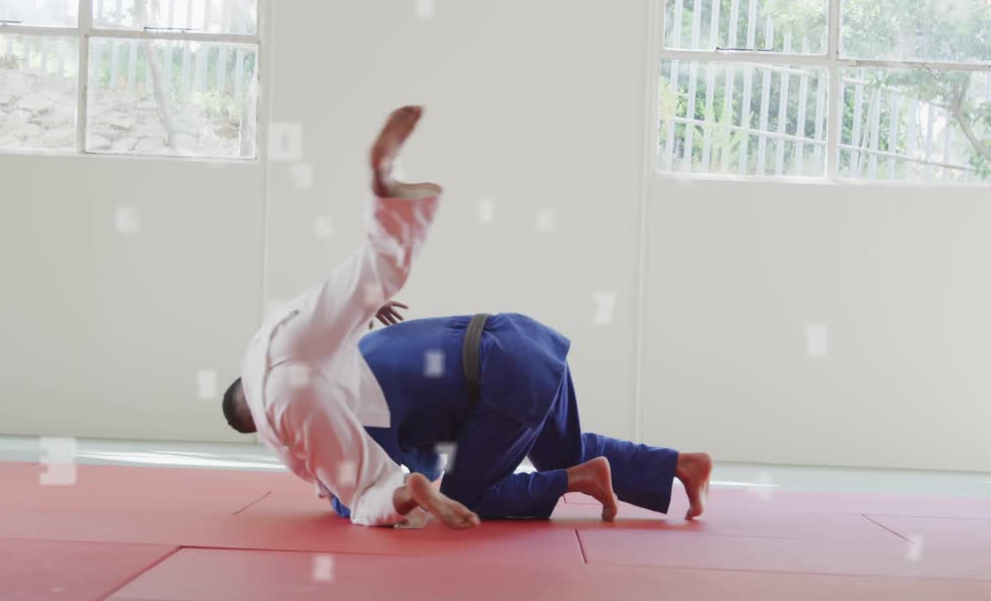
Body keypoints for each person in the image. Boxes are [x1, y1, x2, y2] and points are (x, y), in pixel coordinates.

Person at [220, 105, 484, 528]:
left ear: (250, 411)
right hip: (285, 334)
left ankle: (403, 491)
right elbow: (326, 309)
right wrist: (365, 302)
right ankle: (385, 189)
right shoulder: (256, 351)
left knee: (362, 489)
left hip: (292, 402)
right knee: (377, 271)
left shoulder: (273, 421)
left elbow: (321, 470)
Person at [326, 309, 713, 523]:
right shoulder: (365, 352)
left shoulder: (357, 401)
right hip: (526, 344)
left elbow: (400, 486)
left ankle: (576, 479)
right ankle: (681, 466)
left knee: (466, 502)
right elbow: (427, 461)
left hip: (502, 379)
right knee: (565, 450)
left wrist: (334, 491)